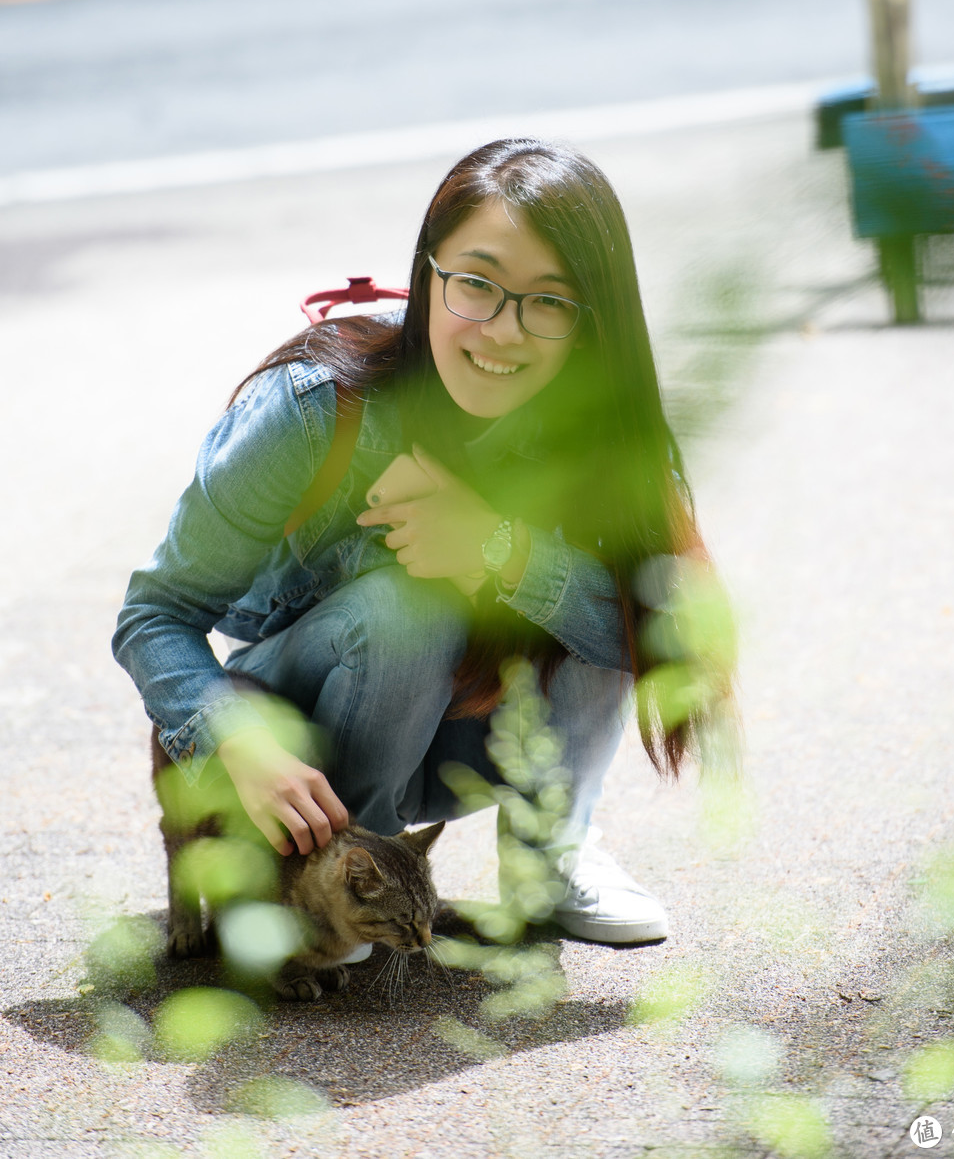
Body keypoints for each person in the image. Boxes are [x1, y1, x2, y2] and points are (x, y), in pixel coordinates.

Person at [114, 137, 715, 945]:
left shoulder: (603, 430)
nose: (501, 330)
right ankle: (336, 881)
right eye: (476, 284)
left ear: (590, 321)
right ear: (429, 275)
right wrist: (236, 737)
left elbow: (665, 641)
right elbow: (154, 616)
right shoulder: (316, 408)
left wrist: (501, 551)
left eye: (549, 301)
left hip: (466, 736)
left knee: (596, 587)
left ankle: (552, 857)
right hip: (314, 739)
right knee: (411, 603)